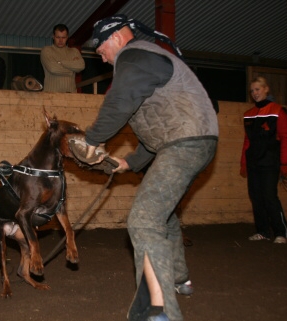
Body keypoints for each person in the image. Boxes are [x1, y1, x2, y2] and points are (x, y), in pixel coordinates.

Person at [83, 15, 218, 321]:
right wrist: (129, 162)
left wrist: (92, 140)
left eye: (100, 47)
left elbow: (119, 103)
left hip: (186, 142)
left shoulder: (135, 55)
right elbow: (156, 129)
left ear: (116, 37)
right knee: (162, 216)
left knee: (143, 220)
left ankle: (159, 312)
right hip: (190, 140)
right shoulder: (145, 62)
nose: (99, 55)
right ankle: (181, 278)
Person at [240, 76, 287, 244]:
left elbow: (284, 137)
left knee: (269, 196)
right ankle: (262, 231)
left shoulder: (277, 111)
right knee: (256, 197)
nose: (255, 93)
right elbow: (247, 141)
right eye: (252, 90)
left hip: (270, 162)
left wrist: (285, 163)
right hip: (253, 162)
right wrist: (243, 163)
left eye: (258, 89)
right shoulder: (248, 115)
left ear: (266, 89)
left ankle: (280, 233)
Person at [40, 24, 85, 93]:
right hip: (50, 96)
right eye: (58, 37)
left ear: (67, 37)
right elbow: (53, 69)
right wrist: (71, 70)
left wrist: (61, 63)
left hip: (71, 96)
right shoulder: (46, 50)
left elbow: (81, 66)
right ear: (53, 37)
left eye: (63, 37)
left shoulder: (74, 51)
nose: (61, 40)